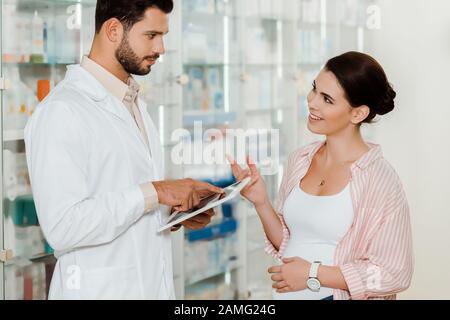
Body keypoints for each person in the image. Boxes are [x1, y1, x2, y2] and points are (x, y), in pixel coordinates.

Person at [25, 0, 223, 300]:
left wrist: (171, 212)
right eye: (151, 35)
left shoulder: (132, 103)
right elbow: (63, 227)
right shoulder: (61, 111)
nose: (161, 49)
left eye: (163, 36)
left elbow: (120, 194)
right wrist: (156, 192)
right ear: (114, 30)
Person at [229, 52, 413, 300]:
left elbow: (393, 274)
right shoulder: (299, 160)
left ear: (357, 114)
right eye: (314, 89)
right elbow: (289, 242)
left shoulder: (380, 180)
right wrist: (261, 201)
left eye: (327, 99)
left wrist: (314, 273)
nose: (312, 102)